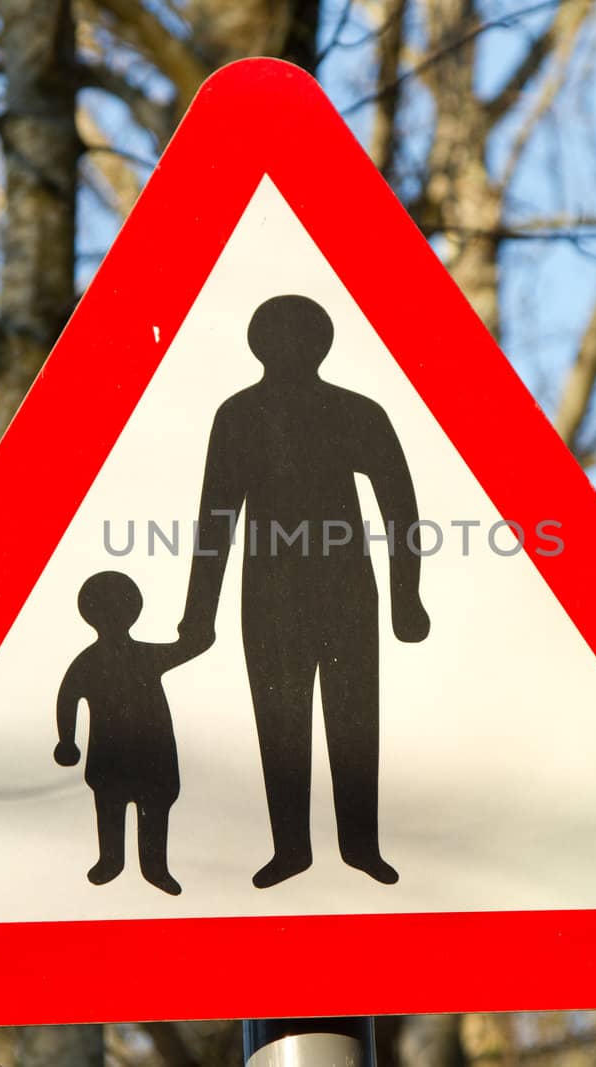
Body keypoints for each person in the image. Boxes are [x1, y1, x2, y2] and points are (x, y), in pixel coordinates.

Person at [178, 294, 430, 889]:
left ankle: (361, 845)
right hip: (267, 592)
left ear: (321, 344)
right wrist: (199, 613)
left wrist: (406, 596)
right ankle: (290, 848)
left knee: (353, 718)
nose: (290, 349)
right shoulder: (237, 416)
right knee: (280, 719)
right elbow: (216, 518)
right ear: (258, 345)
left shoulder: (354, 412)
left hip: (345, 588)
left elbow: (400, 507)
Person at [55, 570, 208, 896]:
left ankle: (155, 868)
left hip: (152, 756)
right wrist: (66, 741)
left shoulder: (141, 656)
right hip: (111, 756)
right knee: (110, 805)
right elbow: (68, 699)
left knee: (153, 807)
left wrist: (198, 626)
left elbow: (192, 646)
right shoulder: (91, 662)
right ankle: (111, 861)